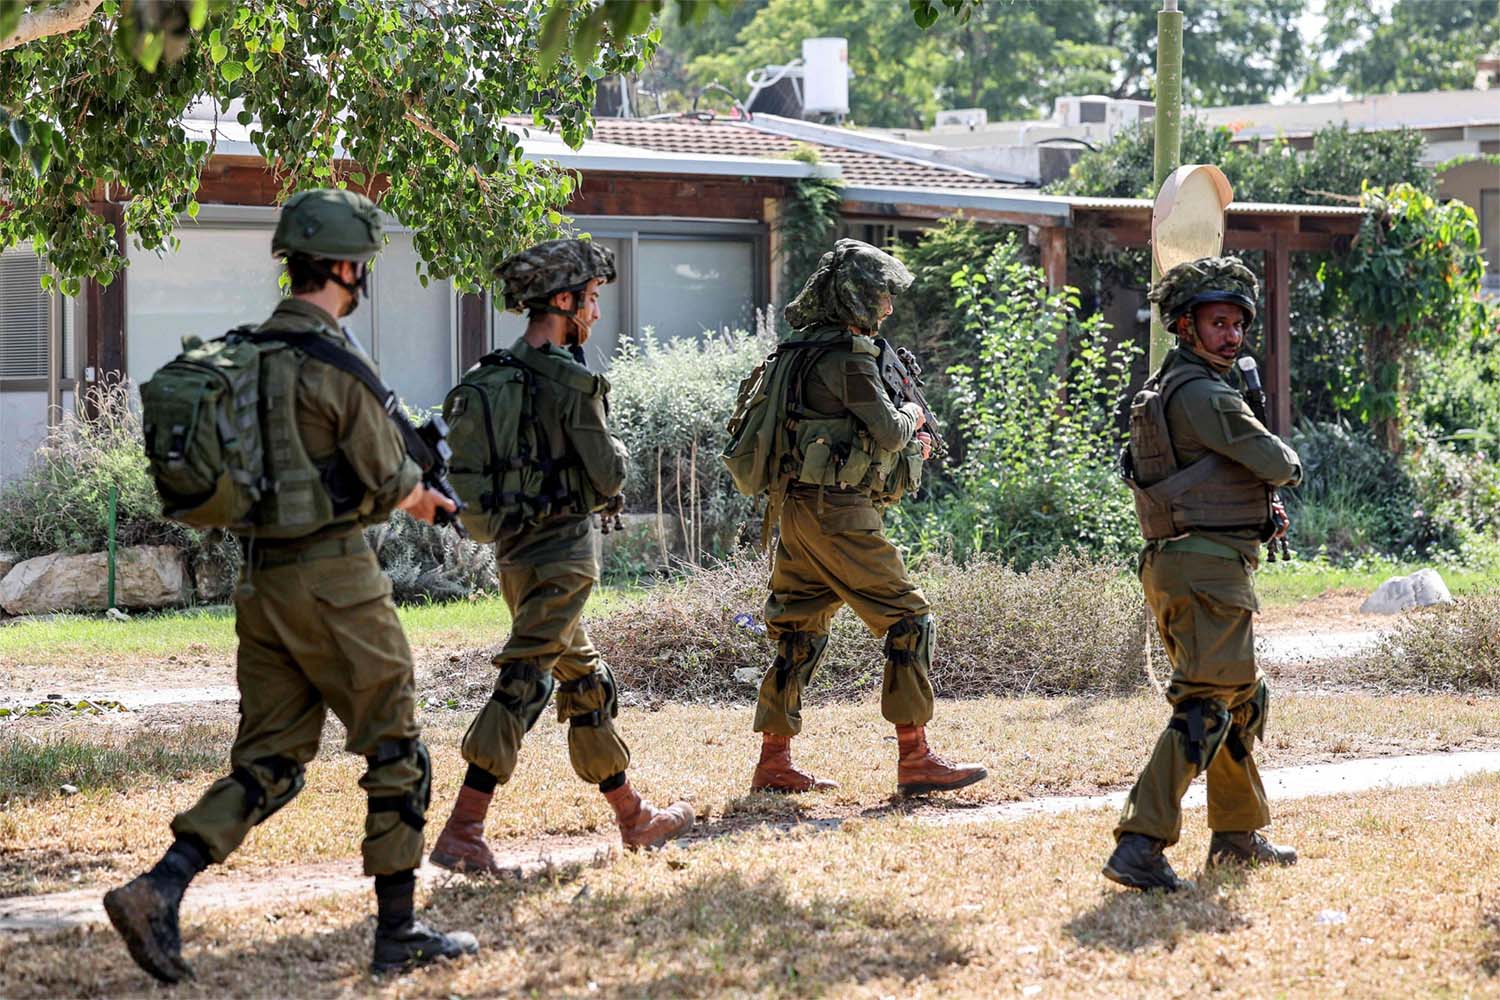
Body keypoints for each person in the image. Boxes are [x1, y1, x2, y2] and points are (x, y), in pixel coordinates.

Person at [104, 189, 477, 981]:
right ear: (346, 267)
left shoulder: (248, 351)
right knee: (397, 744)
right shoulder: (338, 363)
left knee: (268, 762)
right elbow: (384, 479)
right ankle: (398, 933)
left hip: (262, 582)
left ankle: (158, 888)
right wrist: (423, 496)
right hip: (335, 581)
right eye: (362, 264)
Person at [428, 239, 693, 874]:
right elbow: (606, 477)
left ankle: (634, 817)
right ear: (565, 301)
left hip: (516, 557)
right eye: (593, 300)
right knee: (527, 678)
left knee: (586, 680)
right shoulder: (574, 383)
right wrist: (619, 453)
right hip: (566, 556)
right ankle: (464, 829)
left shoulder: (492, 375)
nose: (597, 314)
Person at [742, 239, 988, 796]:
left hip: (799, 511)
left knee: (798, 631)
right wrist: (913, 413)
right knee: (909, 618)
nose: (888, 308)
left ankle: (774, 762)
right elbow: (887, 430)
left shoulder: (799, 350)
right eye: (880, 296)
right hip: (840, 515)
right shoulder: (849, 357)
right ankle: (916, 758)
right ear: (854, 296)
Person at [1104, 256, 1303, 892]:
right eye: (1219, 323)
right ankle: (1140, 843)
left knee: (1240, 698)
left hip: (1187, 566)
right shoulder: (1206, 394)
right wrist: (1285, 465)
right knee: (1208, 704)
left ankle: (1237, 836)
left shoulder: (1167, 388)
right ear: (1186, 327)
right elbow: (1276, 460)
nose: (1233, 336)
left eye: (1239, 325)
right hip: (1205, 571)